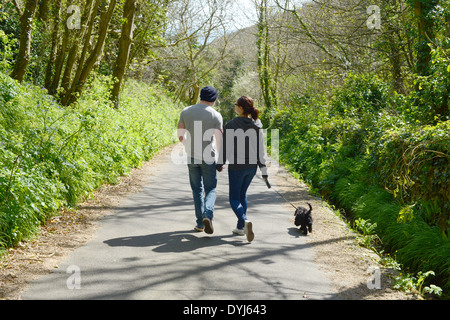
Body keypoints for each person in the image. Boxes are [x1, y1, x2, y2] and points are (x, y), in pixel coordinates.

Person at [216, 96, 268, 242]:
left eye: (236, 104)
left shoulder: (232, 124)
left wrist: (220, 164)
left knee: (233, 198)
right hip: (252, 168)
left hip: (237, 167)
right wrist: (263, 170)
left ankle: (244, 221)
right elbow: (261, 150)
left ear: (241, 108)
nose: (234, 106)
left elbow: (225, 147)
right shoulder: (256, 125)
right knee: (242, 194)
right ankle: (240, 228)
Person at [177, 86, 223, 234]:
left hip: (191, 156)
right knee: (211, 188)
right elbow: (219, 139)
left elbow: (180, 135)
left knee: (196, 189)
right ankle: (207, 215)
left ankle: (200, 223)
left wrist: (188, 146)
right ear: (214, 99)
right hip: (208, 156)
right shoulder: (216, 115)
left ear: (200, 96)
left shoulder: (186, 111)